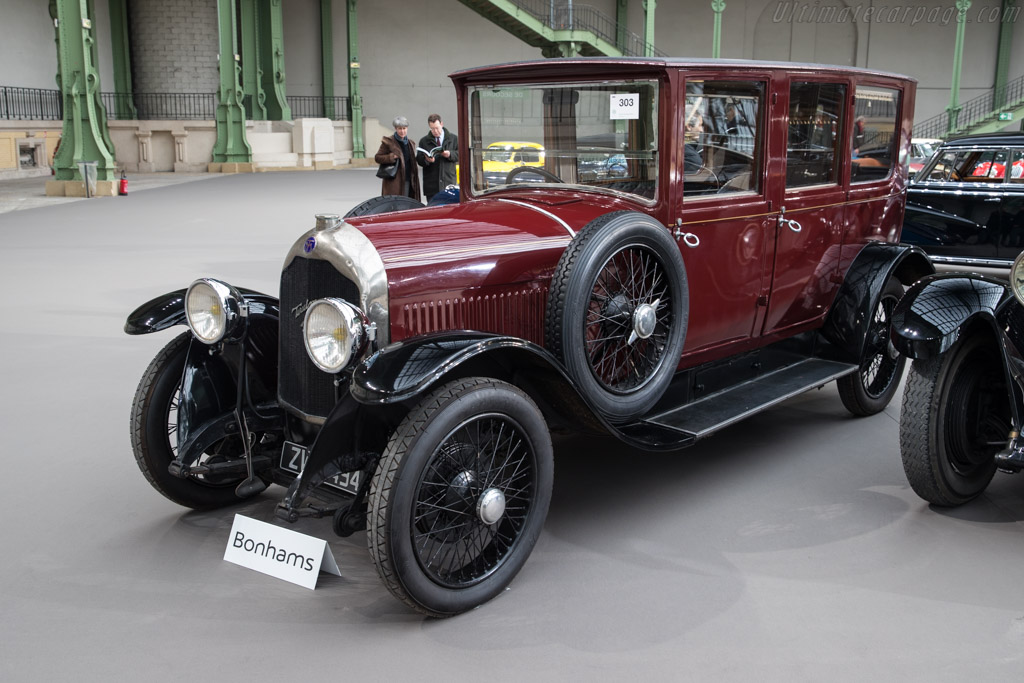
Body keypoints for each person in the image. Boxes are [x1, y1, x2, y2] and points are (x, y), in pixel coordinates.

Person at [374, 116, 421, 201]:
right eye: (400, 128)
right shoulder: (388, 142)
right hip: (394, 182)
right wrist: (391, 157)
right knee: (394, 206)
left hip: (409, 180)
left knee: (407, 204)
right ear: (395, 128)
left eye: (404, 128)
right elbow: (377, 157)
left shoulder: (411, 143)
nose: (402, 131)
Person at [417, 113, 459, 199]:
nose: (435, 131)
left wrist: (450, 154)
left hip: (448, 182)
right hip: (431, 185)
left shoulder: (453, 139)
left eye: (437, 128)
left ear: (441, 124)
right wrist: (427, 160)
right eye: (432, 129)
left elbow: (461, 155)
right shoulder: (424, 141)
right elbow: (419, 159)